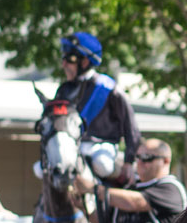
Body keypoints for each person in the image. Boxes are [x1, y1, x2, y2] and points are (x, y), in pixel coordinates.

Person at [55, 31, 142, 187]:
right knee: (40, 169)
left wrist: (129, 161)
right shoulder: (63, 90)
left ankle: (109, 204)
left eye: (69, 59)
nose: (64, 64)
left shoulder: (108, 88)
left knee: (102, 164)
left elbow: (131, 128)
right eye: (64, 59)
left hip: (102, 146)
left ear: (85, 62)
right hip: (72, 145)